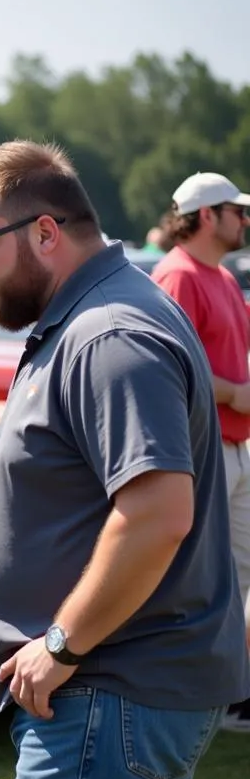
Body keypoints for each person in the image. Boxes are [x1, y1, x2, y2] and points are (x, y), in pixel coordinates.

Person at [0, 141, 250, 779]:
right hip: (123, 700)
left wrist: (60, 643)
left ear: (45, 232)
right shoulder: (97, 314)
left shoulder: (109, 332)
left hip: (105, 696)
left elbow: (156, 514)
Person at [151, 173, 250, 727]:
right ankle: (209, 690)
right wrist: (238, 393)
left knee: (237, 577)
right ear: (207, 215)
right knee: (208, 577)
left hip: (234, 447)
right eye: (237, 210)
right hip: (203, 453)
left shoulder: (221, 276)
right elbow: (169, 364)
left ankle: (230, 687)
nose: (245, 220)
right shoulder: (179, 276)